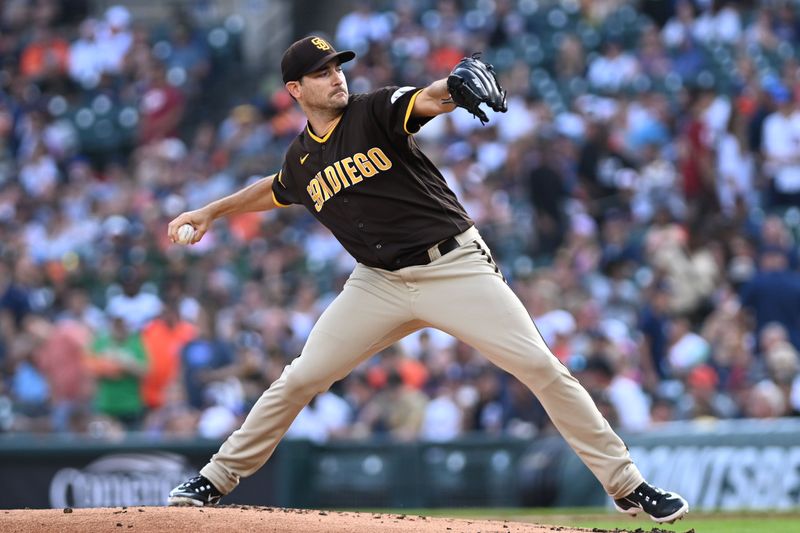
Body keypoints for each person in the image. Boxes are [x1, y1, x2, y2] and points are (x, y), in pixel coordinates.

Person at [166, 35, 689, 524]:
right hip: (378, 283)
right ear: (295, 91)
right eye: (320, 73)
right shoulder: (301, 159)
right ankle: (214, 478)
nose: (336, 78)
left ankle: (627, 484)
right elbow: (277, 188)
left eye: (336, 67)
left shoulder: (372, 111)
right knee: (300, 378)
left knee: (541, 367)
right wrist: (212, 211)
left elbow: (426, 100)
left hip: (452, 266)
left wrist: (453, 90)